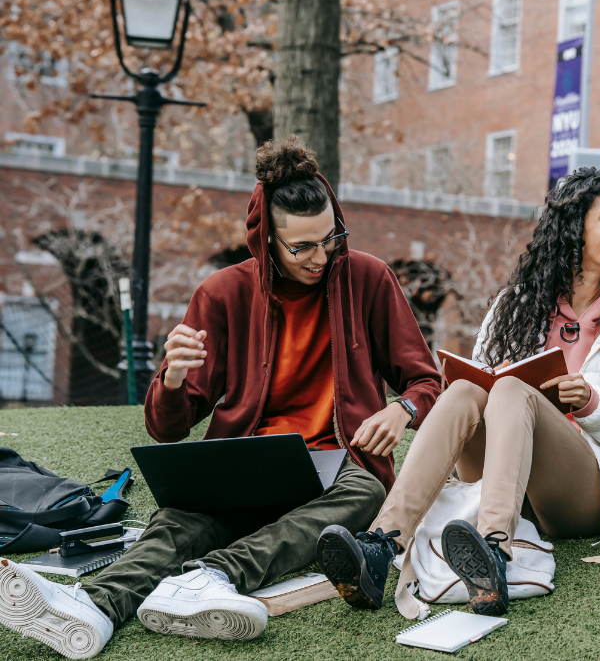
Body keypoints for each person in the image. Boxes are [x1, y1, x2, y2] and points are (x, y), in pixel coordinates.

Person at [0, 136, 442, 659]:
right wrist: (170, 379)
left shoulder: (368, 278)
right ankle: (92, 608)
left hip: (336, 462)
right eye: (302, 247)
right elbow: (168, 428)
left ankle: (212, 577)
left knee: (368, 493)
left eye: (331, 238)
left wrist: (402, 407)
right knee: (181, 519)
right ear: (267, 241)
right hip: (247, 458)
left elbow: (426, 382)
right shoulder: (222, 293)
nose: (322, 256)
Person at [315, 166, 600, 617]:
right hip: (499, 476)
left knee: (511, 392)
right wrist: (490, 377)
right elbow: (479, 391)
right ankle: (381, 545)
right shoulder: (516, 306)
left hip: (582, 491)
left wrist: (591, 403)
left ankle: (493, 553)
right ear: (575, 225)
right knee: (469, 388)